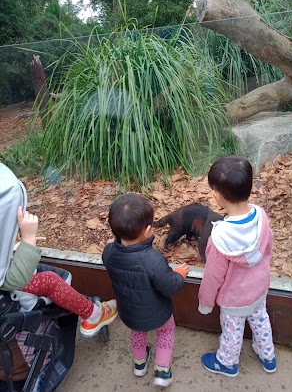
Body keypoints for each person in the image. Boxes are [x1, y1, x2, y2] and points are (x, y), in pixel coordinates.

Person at [0, 162, 118, 338]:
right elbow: (13, 280)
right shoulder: (7, 190)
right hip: (10, 293)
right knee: (51, 280)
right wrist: (29, 238)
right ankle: (94, 314)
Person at [198, 155, 276, 377]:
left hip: (234, 299)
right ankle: (268, 356)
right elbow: (267, 248)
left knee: (232, 332)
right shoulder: (261, 216)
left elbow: (213, 277)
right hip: (259, 289)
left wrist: (205, 303)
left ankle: (227, 363)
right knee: (261, 322)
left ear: (217, 195)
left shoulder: (220, 238)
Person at [102, 193, 190, 388]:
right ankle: (162, 370)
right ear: (148, 230)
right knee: (166, 331)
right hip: (159, 313)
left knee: (138, 332)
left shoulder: (108, 252)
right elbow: (170, 285)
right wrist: (180, 274)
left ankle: (139, 364)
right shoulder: (153, 260)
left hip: (130, 312)